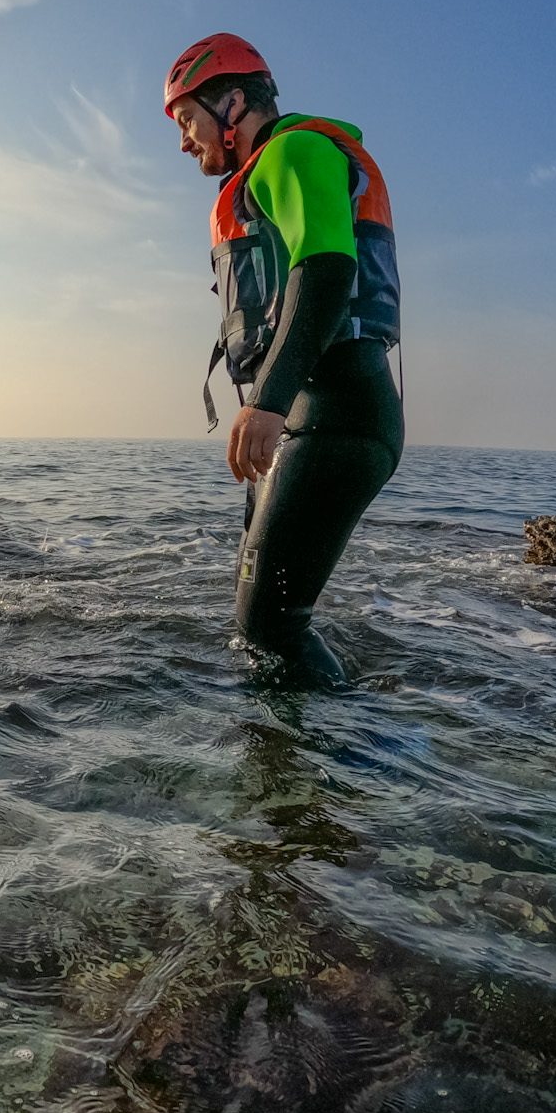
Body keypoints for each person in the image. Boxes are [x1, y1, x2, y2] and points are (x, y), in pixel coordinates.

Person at [164, 34, 403, 686]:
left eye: (188, 120)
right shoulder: (265, 173)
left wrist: (267, 401)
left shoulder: (295, 152)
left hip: (338, 413)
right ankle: (288, 771)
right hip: (310, 418)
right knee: (258, 629)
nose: (184, 141)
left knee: (271, 632)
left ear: (233, 103)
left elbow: (325, 266)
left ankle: (361, 768)